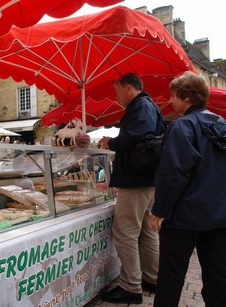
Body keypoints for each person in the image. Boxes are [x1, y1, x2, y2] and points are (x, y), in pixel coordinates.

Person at [150, 71, 226, 307]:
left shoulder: (182, 127)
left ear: (186, 98)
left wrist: (161, 209)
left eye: (173, 96)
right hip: (219, 215)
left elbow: (174, 172)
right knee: (218, 275)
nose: (171, 102)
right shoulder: (222, 124)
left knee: (171, 275)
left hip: (184, 216)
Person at [99, 73, 165, 304]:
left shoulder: (141, 106)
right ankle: (152, 278)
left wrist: (112, 142)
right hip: (146, 179)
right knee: (147, 232)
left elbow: (139, 134)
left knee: (125, 232)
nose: (117, 96)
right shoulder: (146, 106)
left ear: (128, 87)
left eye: (117, 90)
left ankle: (130, 286)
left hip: (137, 180)